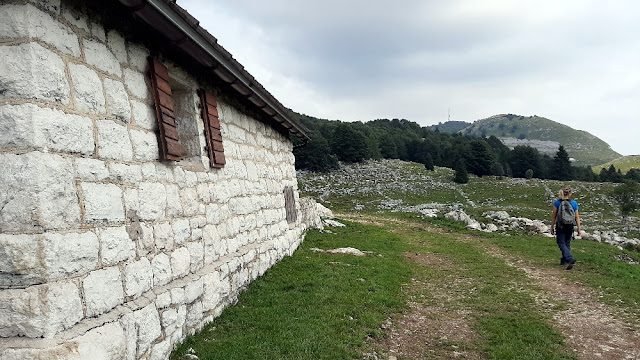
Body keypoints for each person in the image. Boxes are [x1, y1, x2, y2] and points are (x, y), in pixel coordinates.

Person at [550, 186, 581, 270]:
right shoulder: (574, 203)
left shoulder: (557, 203)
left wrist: (552, 227)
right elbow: (577, 217)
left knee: (561, 242)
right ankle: (564, 261)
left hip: (560, 224)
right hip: (570, 225)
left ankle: (569, 258)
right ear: (570, 194)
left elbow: (554, 216)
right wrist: (579, 228)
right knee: (567, 242)